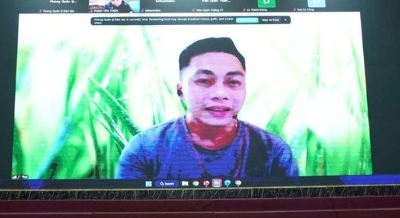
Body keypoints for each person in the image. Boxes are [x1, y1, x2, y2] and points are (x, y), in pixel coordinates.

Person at [116, 37, 299, 180]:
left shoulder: (274, 150)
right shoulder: (145, 148)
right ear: (180, 90)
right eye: (204, 81)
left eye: (233, 82)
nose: (220, 93)